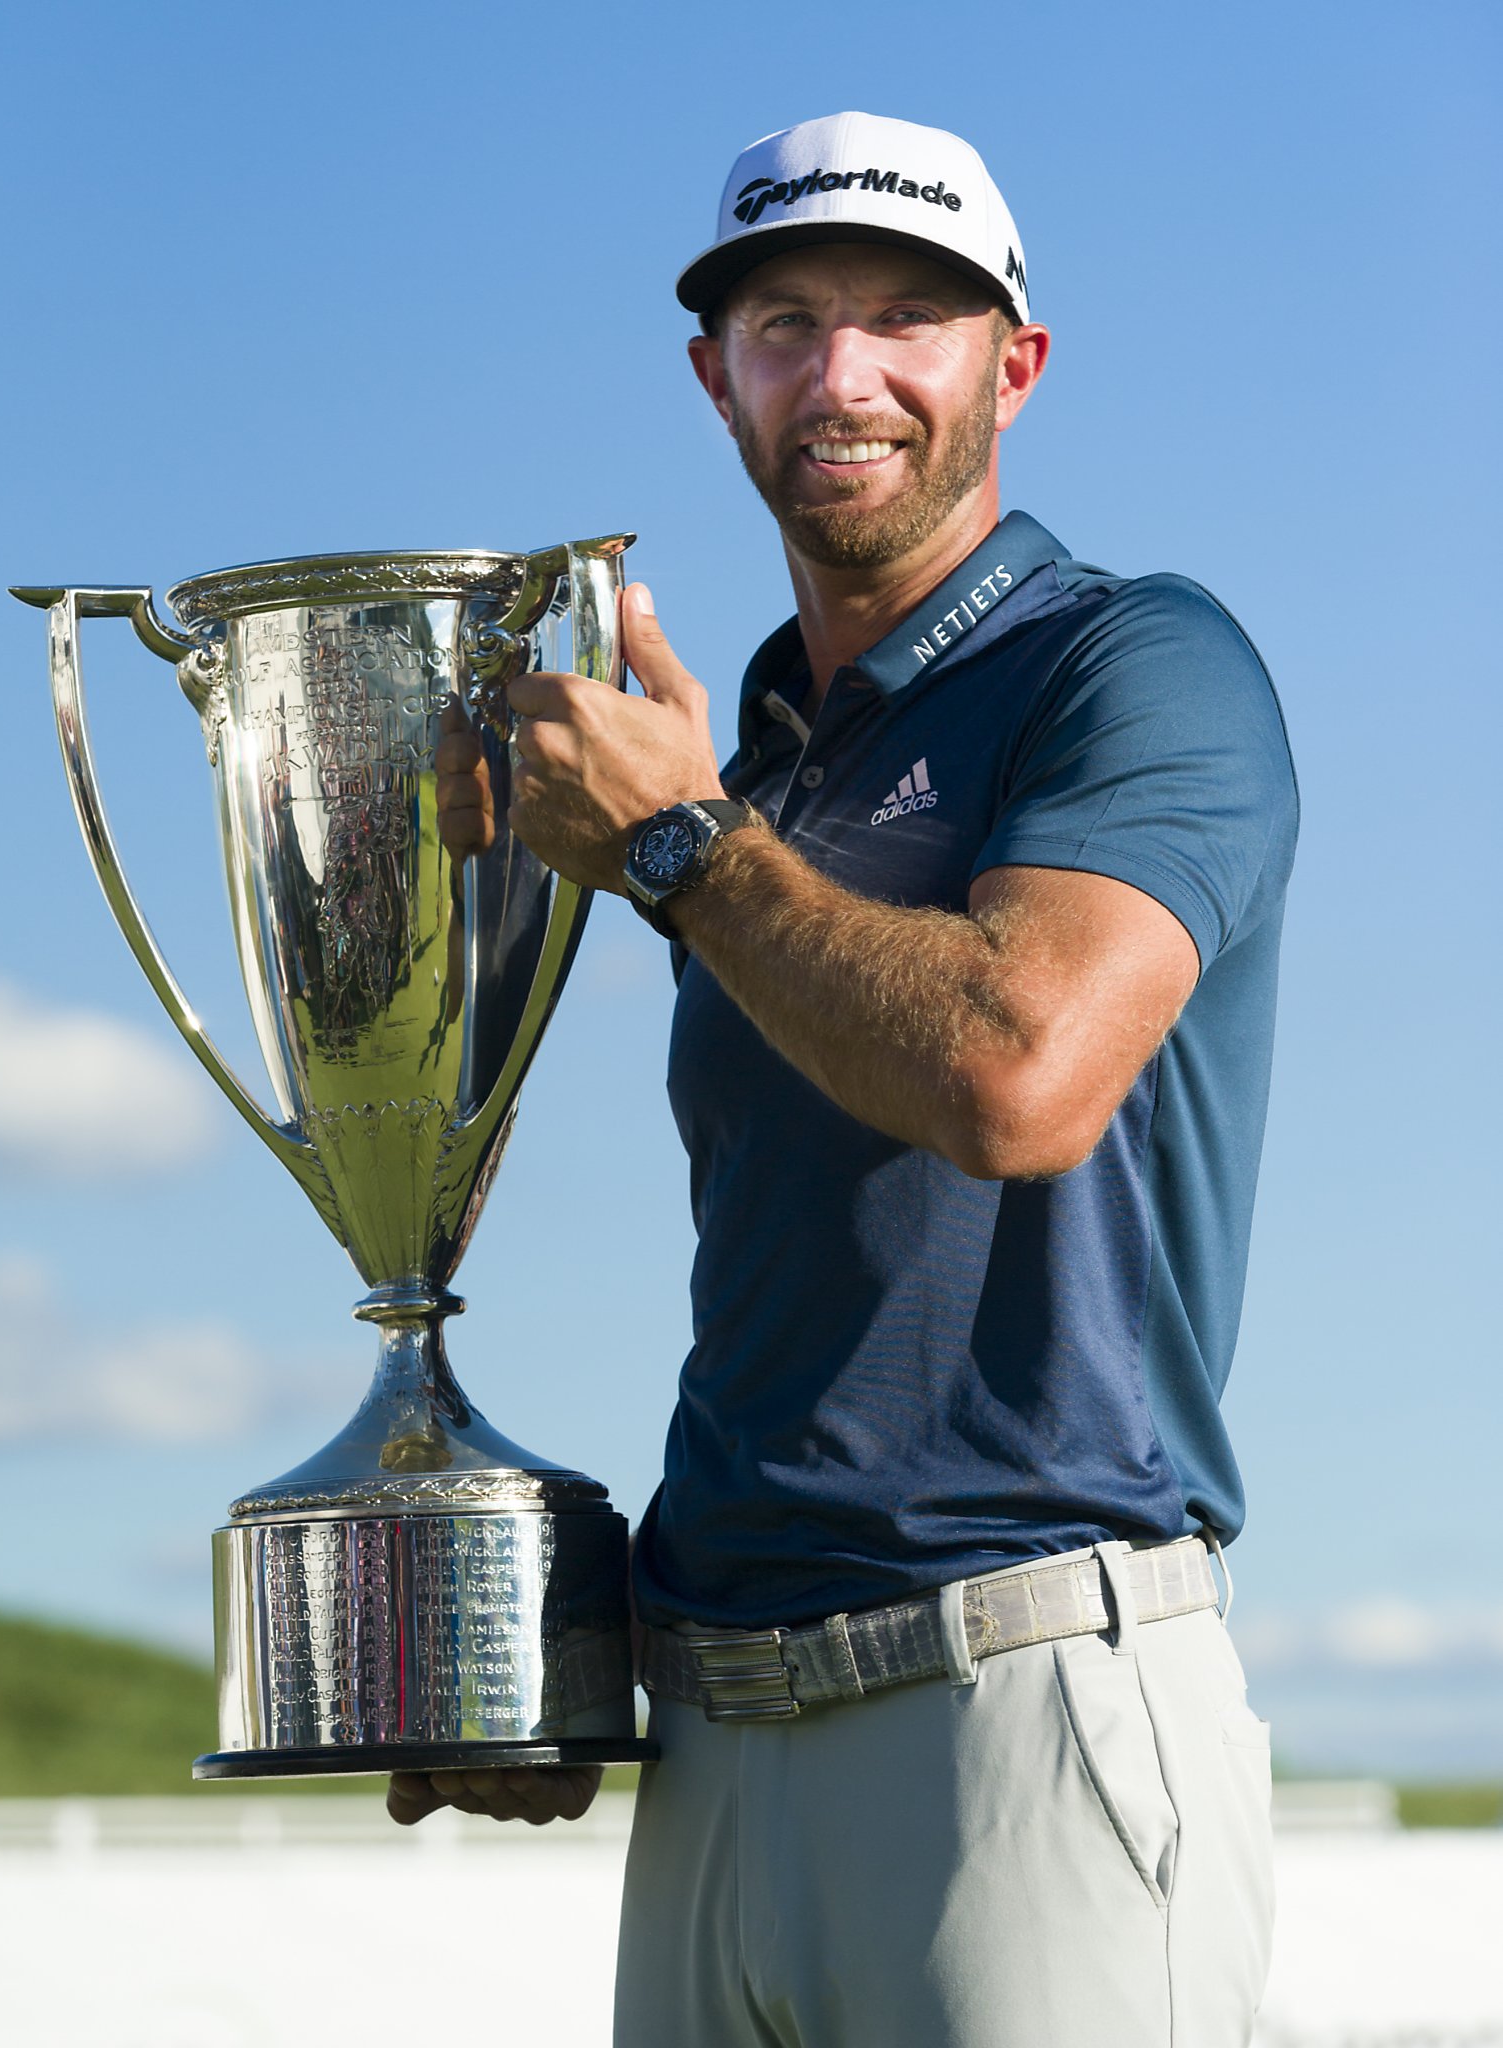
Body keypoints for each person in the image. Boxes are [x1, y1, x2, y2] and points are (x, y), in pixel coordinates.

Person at [389, 110, 1296, 2047]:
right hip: (717, 1745)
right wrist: (575, 1641)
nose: (845, 373)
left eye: (909, 317)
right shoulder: (761, 759)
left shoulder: (1137, 661)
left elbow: (1014, 1072)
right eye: (786, 321)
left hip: (1022, 1715)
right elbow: (813, 1280)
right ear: (717, 377)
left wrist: (679, 845)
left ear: (1011, 368)